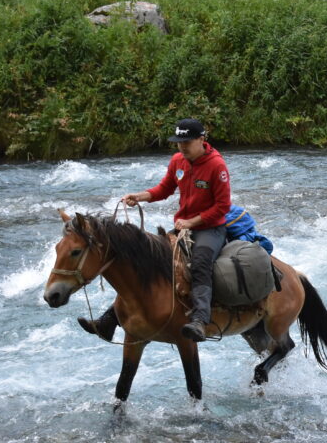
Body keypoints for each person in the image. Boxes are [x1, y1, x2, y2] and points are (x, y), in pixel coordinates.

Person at [77, 118, 231, 342]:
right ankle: (110, 320)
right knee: (146, 259)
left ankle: (199, 320)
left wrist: (192, 222)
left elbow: (223, 207)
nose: (182, 146)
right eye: (179, 142)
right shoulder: (178, 160)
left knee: (200, 264)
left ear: (201, 139)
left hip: (211, 230)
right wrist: (139, 196)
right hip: (182, 227)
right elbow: (164, 189)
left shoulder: (217, 166)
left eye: (187, 141)